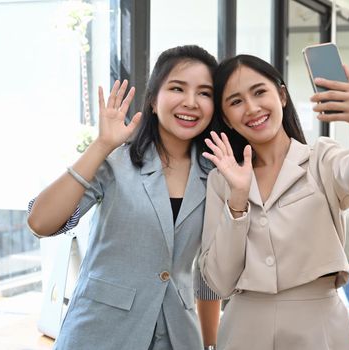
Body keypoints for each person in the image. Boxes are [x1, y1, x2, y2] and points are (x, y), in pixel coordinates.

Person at [27, 45, 221, 350]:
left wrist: (211, 343)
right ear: (154, 101)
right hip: (99, 330)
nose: (190, 102)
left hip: (177, 335)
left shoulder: (216, 175)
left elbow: (210, 271)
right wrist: (101, 146)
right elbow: (41, 222)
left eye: (205, 93)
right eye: (177, 88)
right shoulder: (117, 161)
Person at [198, 54, 349, 350]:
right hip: (244, 327)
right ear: (227, 119)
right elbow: (219, 281)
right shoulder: (222, 181)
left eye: (260, 92)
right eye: (236, 101)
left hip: (318, 326)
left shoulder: (320, 158)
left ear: (281, 95)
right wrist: (238, 200)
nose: (252, 108)